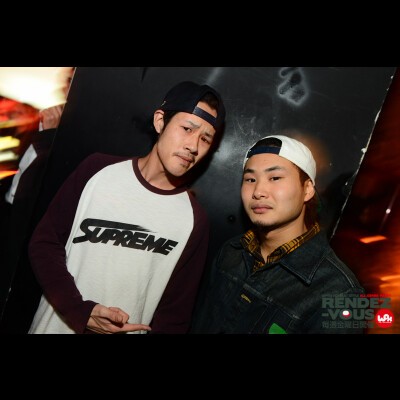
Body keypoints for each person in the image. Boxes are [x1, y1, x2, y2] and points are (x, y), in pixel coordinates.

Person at [28, 81, 226, 334]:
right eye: (187, 128)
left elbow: (175, 315)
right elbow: (45, 244)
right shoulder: (97, 170)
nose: (194, 146)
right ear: (160, 122)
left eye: (205, 139)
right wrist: (79, 310)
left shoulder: (193, 219)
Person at [191, 134, 365, 334]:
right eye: (250, 179)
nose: (258, 191)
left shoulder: (342, 293)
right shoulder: (231, 251)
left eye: (275, 178)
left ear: (307, 189)